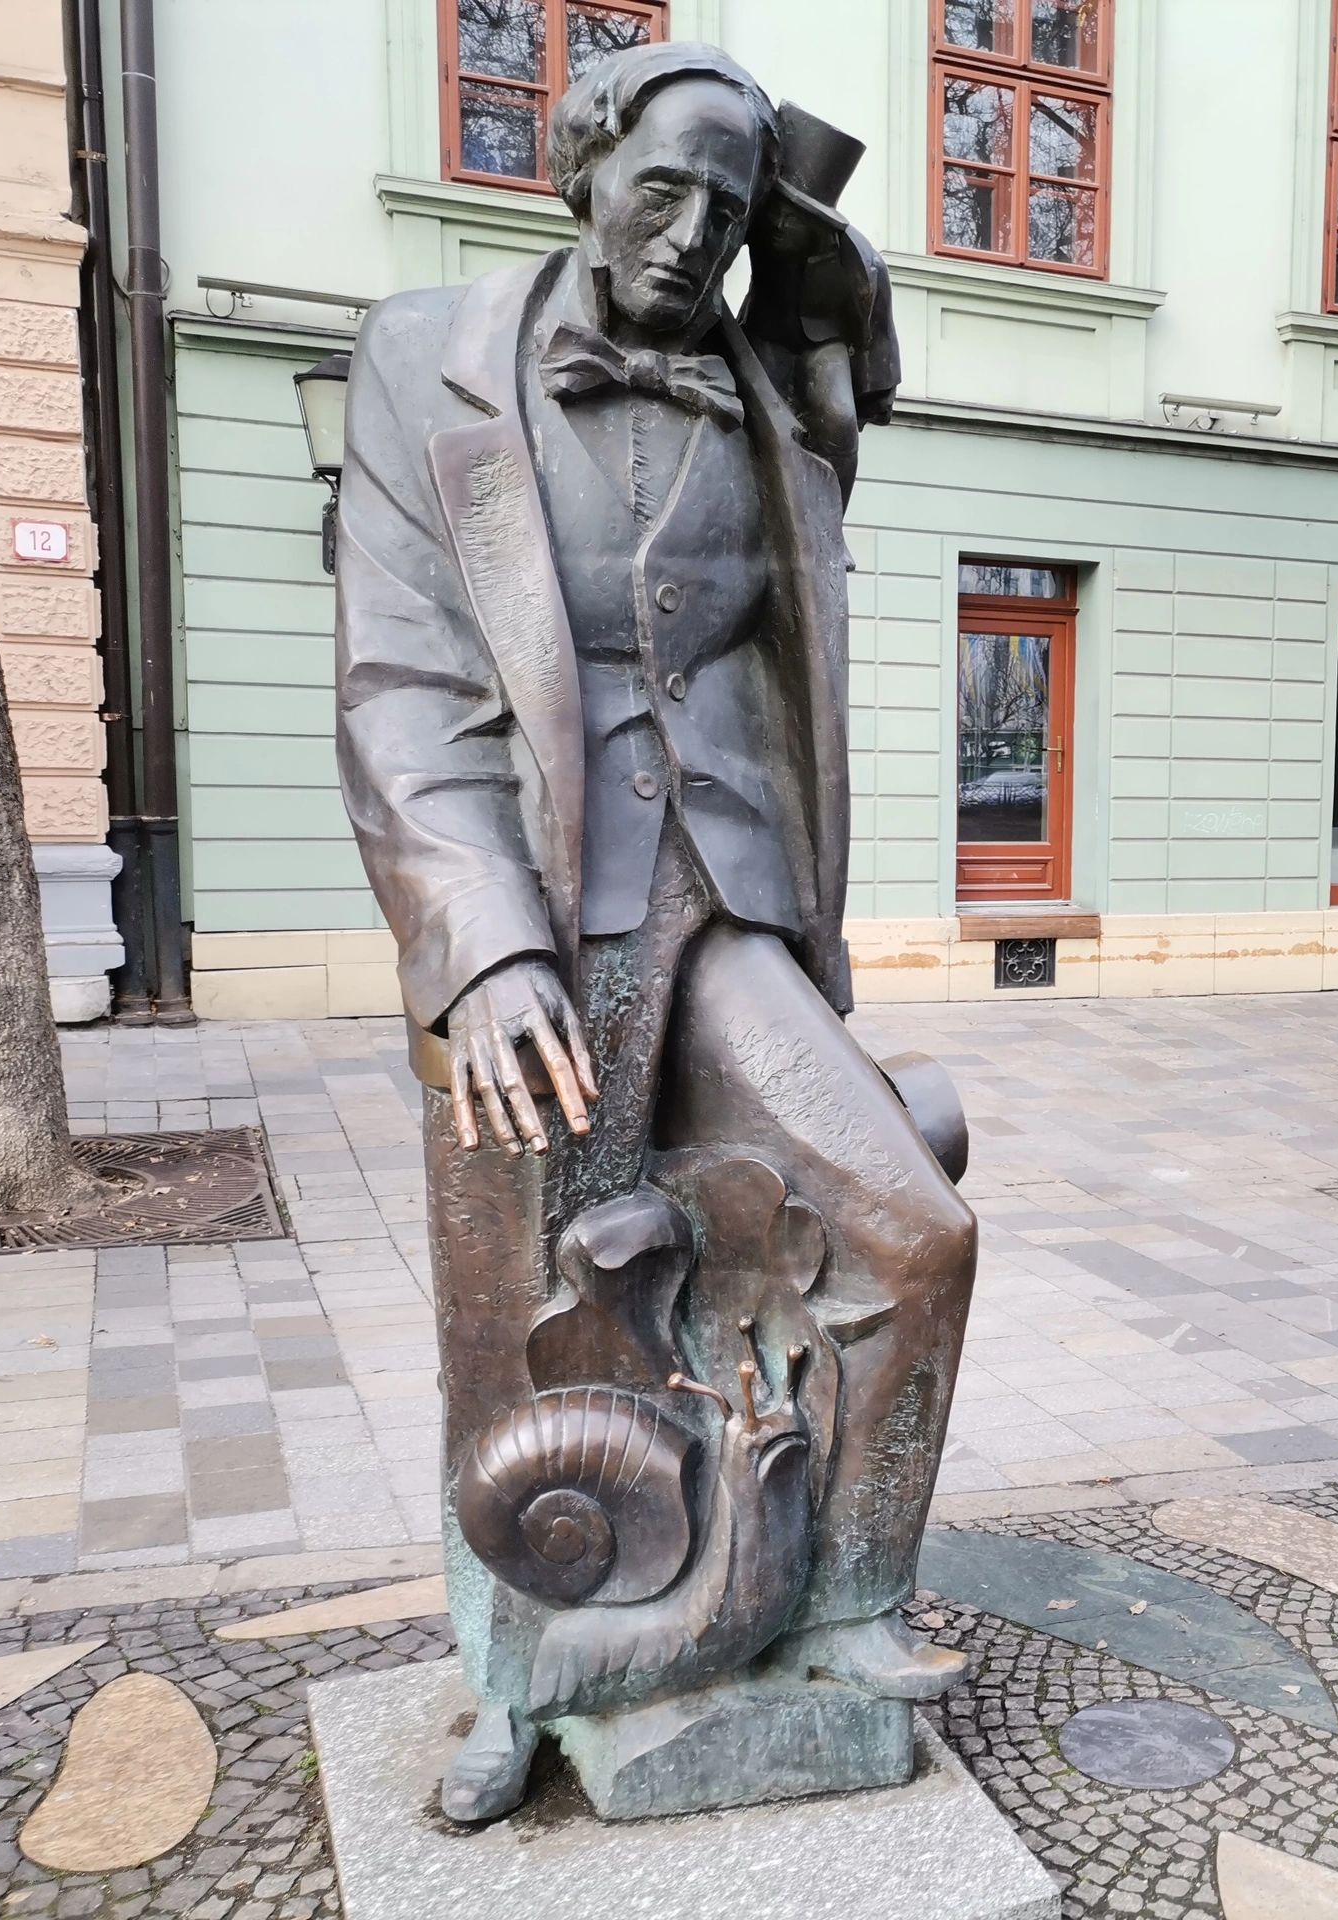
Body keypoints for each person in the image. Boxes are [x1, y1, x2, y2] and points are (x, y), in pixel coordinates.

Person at [332, 43, 973, 1823]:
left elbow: (853, 359)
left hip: (734, 901)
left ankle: (840, 1599)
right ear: (585, 169)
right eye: (662, 190)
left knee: (910, 1236)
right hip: (537, 920)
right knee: (526, 1311)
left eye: (727, 207)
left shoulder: (773, 401)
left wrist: (819, 245)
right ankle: (516, 1679)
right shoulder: (425, 360)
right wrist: (478, 940)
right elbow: (402, 684)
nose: (690, 239)